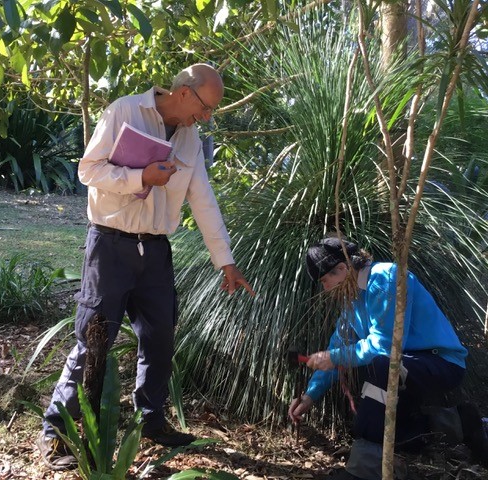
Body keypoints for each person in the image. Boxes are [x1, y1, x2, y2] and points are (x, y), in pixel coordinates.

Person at [37, 63, 255, 471]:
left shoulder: (189, 139)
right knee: (92, 340)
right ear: (185, 92)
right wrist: (141, 177)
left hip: (155, 251)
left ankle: (151, 421)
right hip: (110, 246)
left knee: (159, 339)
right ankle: (57, 433)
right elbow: (89, 170)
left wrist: (226, 262)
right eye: (205, 108)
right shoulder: (124, 111)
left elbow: (202, 199)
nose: (206, 118)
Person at [289, 236, 467, 480]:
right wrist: (310, 396)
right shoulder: (352, 300)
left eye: (325, 280)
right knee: (392, 415)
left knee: (380, 365)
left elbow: (384, 347)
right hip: (407, 366)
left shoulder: (386, 277)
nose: (325, 288)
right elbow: (338, 346)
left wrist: (334, 357)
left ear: (342, 268)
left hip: (441, 363)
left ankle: (363, 471)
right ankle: (459, 423)